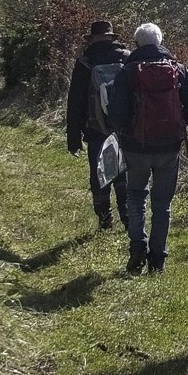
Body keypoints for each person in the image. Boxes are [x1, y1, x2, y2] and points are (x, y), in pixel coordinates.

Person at [104, 21, 188, 275]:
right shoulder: (177, 69)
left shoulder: (128, 71)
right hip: (169, 147)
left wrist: (126, 128)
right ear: (160, 42)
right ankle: (158, 258)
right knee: (163, 203)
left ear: (137, 43)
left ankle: (137, 246)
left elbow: (115, 113)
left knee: (136, 195)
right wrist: (181, 124)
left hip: (135, 146)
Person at [63, 19, 132, 231]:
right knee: (124, 173)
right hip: (124, 128)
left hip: (95, 128)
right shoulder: (127, 58)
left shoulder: (85, 63)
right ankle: (128, 218)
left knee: (99, 173)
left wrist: (73, 139)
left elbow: (75, 102)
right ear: (112, 37)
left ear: (93, 38)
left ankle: (105, 221)